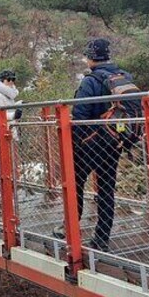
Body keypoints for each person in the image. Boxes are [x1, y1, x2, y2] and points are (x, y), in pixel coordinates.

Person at [55, 38, 132, 252]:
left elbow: (79, 115)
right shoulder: (123, 77)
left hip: (89, 144)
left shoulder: (90, 81)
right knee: (107, 189)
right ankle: (102, 237)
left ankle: (71, 226)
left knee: (75, 184)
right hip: (114, 142)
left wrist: (76, 142)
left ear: (91, 57)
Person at [0, 70, 22, 196]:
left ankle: (0, 184)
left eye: (13, 79)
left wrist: (18, 107)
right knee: (0, 158)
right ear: (2, 81)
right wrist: (14, 114)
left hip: (6, 129)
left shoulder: (8, 94)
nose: (11, 82)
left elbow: (6, 109)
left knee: (3, 157)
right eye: (9, 80)